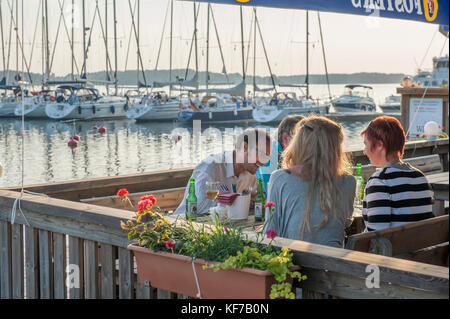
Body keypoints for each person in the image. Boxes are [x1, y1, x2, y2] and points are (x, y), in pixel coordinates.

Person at [264, 115, 356, 248]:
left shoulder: (279, 178)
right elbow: (346, 221)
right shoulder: (349, 182)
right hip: (333, 265)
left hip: (293, 264)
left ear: (299, 144)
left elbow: (270, 231)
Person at [174, 128, 272, 216]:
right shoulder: (211, 167)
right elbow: (199, 209)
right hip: (184, 227)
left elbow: (254, 203)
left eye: (267, 157)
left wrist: (252, 202)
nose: (265, 162)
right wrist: (238, 201)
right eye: (262, 154)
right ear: (245, 147)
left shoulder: (251, 174)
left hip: (225, 229)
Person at [360, 116, 433, 232]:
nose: (364, 151)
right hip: (421, 247)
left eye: (366, 144)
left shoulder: (379, 181)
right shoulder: (420, 177)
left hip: (393, 250)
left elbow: (376, 236)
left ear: (379, 145)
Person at [256, 115, 305, 196]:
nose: (307, 145)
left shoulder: (286, 155)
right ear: (285, 138)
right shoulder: (269, 154)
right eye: (301, 140)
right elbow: (269, 193)